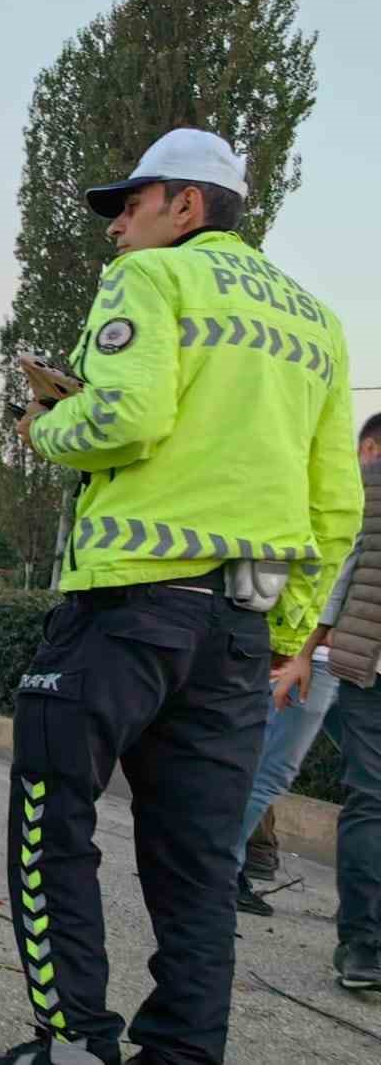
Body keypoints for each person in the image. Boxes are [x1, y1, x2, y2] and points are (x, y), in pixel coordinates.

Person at [0, 128, 362, 1065]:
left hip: (127, 610)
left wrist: (47, 421)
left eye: (131, 205)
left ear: (185, 205)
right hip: (240, 629)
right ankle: (182, 1055)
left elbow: (128, 416)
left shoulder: (153, 281)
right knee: (199, 862)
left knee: (51, 814)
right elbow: (335, 503)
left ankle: (73, 1043)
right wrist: (290, 632)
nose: (116, 230)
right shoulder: (317, 323)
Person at [231, 420, 381, 992]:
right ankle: (218, 874)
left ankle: (236, 863)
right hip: (339, 661)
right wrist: (302, 651)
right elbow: (342, 574)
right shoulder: (352, 498)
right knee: (279, 773)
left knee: (275, 770)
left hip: (336, 660)